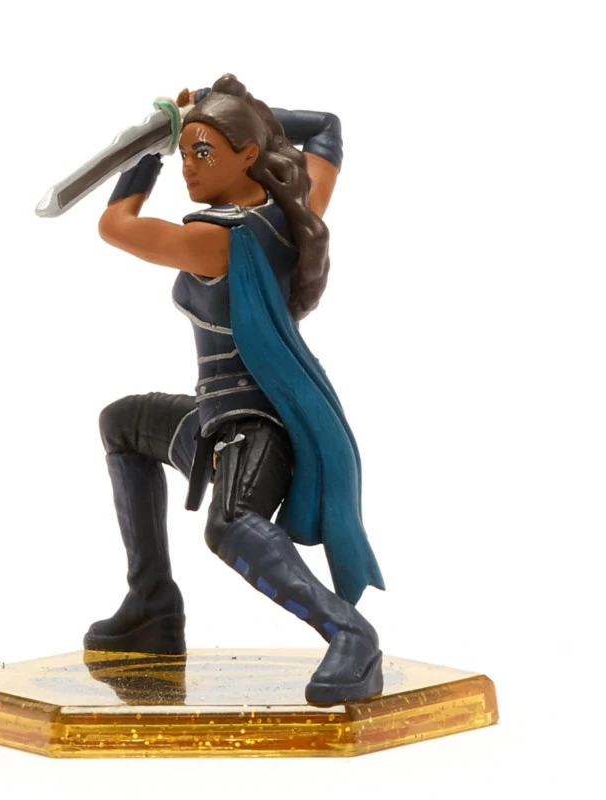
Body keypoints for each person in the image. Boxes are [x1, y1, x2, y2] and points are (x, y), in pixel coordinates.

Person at [86, 74, 385, 705]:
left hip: (254, 425)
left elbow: (115, 225)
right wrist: (225, 114)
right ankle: (151, 606)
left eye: (204, 152)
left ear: (248, 154)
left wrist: (147, 148)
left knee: (230, 526)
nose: (188, 167)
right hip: (215, 417)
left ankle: (350, 634)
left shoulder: (214, 241)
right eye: (183, 153)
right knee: (123, 423)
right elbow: (326, 128)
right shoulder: (297, 210)